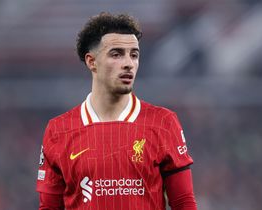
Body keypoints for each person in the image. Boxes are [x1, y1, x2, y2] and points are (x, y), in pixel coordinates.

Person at [36, 12, 197, 210]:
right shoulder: (58, 130)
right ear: (91, 61)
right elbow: (49, 207)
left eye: (134, 54)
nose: (129, 63)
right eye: (116, 54)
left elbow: (183, 203)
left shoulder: (163, 122)